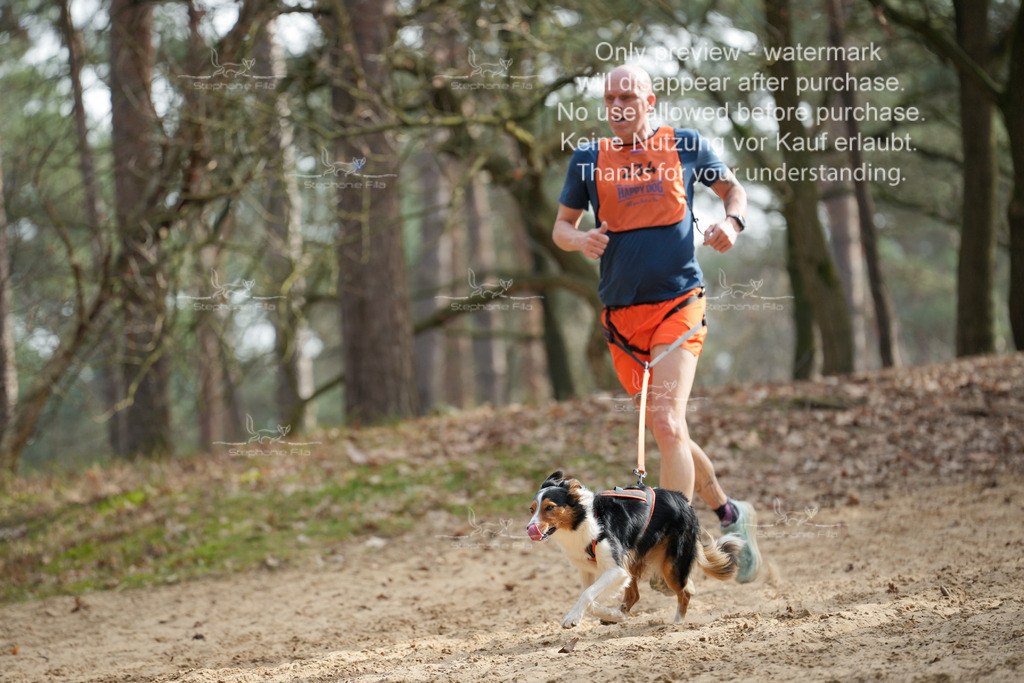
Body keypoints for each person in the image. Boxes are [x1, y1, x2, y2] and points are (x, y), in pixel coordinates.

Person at [552, 64, 761, 583]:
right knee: (672, 432)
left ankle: (672, 548)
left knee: (666, 424)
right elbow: (561, 228)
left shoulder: (684, 144)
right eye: (610, 98)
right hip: (622, 321)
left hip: (678, 306)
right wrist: (579, 240)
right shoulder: (588, 159)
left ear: (650, 101)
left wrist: (732, 223)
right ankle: (729, 511)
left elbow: (733, 191)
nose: (618, 105)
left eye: (628, 96)